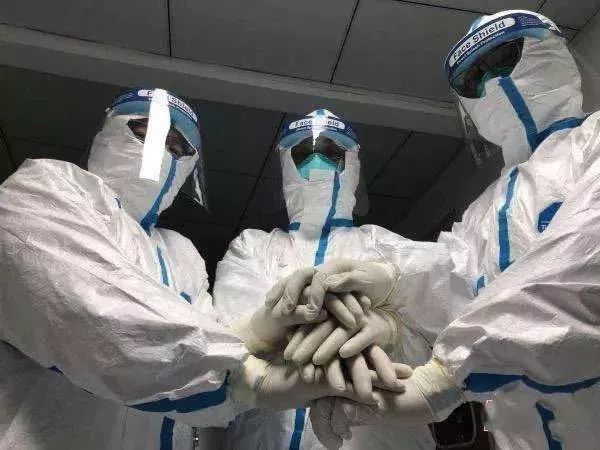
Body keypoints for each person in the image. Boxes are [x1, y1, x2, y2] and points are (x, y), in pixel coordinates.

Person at [306, 9, 600, 449]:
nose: (492, 82)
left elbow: (579, 266)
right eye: (472, 78)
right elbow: (456, 280)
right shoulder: (487, 210)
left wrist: (447, 374)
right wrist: (393, 280)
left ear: (553, 53)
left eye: (504, 57)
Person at [0, 88, 355, 450]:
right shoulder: (45, 190)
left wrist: (259, 330)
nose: (162, 153)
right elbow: (94, 312)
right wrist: (247, 379)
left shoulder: (180, 254)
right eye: (144, 133)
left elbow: (215, 338)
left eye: (179, 147)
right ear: (108, 134)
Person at [212, 109, 473, 449]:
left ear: (352, 165)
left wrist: (393, 332)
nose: (317, 161)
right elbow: (227, 347)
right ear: (286, 165)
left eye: (332, 152)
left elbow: (454, 335)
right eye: (303, 153)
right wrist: (268, 325)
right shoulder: (252, 248)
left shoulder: (390, 248)